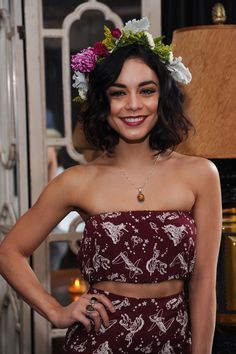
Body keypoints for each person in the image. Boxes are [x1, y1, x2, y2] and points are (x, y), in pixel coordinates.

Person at [0, 18, 222, 353]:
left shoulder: (201, 174)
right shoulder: (77, 180)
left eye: (146, 90)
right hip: (99, 343)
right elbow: (9, 252)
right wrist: (57, 312)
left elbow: (204, 281)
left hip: (173, 343)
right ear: (104, 104)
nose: (133, 105)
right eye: (119, 93)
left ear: (163, 97)